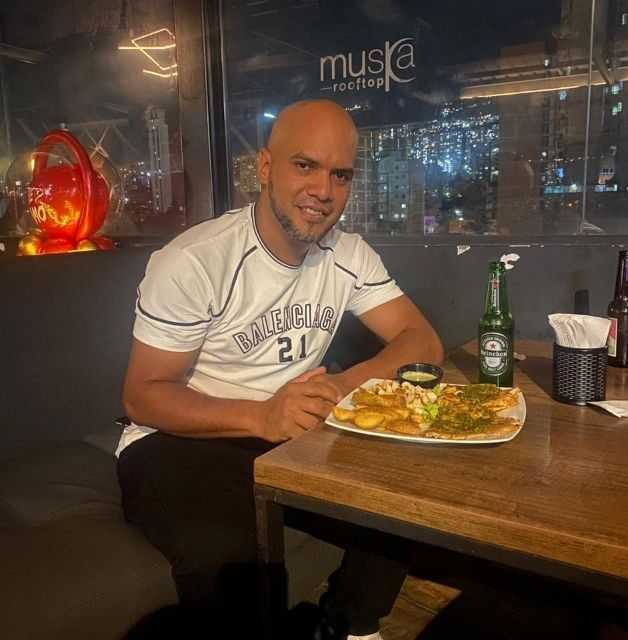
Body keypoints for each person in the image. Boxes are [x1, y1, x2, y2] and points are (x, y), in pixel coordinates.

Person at [117, 99, 444, 639]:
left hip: (291, 430)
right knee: (229, 557)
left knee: (403, 483)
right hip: (178, 437)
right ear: (265, 168)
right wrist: (262, 416)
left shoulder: (348, 254)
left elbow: (422, 341)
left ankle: (349, 626)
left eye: (340, 175)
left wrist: (341, 385)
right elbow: (143, 395)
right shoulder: (195, 261)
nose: (323, 190)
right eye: (305, 165)